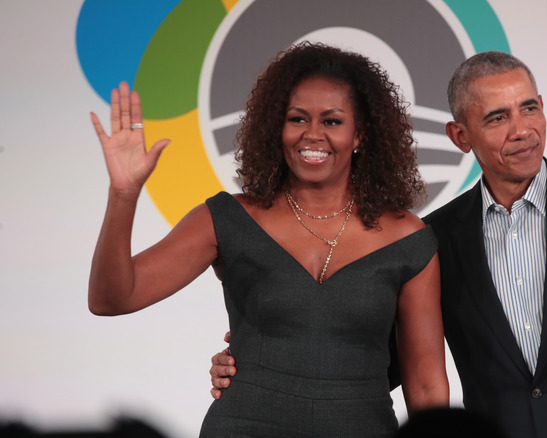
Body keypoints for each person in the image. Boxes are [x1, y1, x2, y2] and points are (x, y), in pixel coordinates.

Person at [210, 51, 547, 437]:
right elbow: (384, 366)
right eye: (497, 117)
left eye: (529, 108)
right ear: (460, 136)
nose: (521, 130)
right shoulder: (433, 239)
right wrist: (261, 359)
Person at [88, 42, 449, 437]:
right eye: (297, 119)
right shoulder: (227, 219)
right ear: (276, 128)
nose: (312, 134)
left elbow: (426, 384)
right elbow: (112, 298)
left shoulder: (408, 239)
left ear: (360, 134)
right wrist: (123, 194)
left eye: (331, 121)